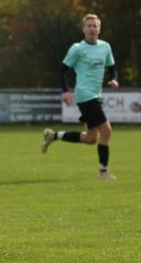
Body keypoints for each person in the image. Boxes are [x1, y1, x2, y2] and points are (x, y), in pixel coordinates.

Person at [41, 14, 119, 179]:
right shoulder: (77, 48)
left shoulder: (105, 47)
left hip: (96, 94)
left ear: (99, 29)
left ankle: (54, 136)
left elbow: (112, 67)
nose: (92, 28)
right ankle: (103, 171)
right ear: (83, 29)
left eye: (94, 26)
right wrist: (65, 90)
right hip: (85, 94)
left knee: (91, 138)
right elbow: (62, 70)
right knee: (107, 130)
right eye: (88, 26)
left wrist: (113, 79)